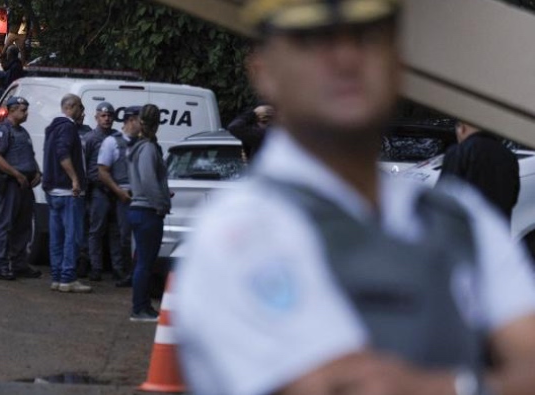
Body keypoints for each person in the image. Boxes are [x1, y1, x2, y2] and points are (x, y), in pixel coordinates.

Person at [173, 1, 535, 394]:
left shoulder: (459, 217)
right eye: (313, 40)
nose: (345, 58)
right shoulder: (236, 234)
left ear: (398, 62)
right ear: (265, 72)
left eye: (367, 37)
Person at [0, 96, 43, 281]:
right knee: (5, 225)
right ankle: (1, 266)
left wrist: (36, 172)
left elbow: (29, 155)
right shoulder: (2, 131)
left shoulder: (23, 132)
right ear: (11, 110)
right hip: (10, 184)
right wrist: (17, 174)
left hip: (25, 186)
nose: (26, 113)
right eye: (22, 110)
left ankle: (19, 264)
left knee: (23, 226)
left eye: (26, 109)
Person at [43, 94, 91, 293]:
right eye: (81, 108)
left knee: (57, 236)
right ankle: (68, 278)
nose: (83, 113)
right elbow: (63, 154)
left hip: (53, 190)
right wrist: (75, 179)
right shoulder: (68, 128)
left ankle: (57, 276)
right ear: (72, 107)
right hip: (68, 192)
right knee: (72, 236)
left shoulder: (51, 128)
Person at [125, 104, 169, 322]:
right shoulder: (148, 149)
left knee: (143, 261)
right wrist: (161, 203)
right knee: (145, 262)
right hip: (147, 211)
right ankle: (139, 308)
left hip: (139, 208)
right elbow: (149, 181)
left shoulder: (138, 148)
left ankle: (142, 305)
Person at [81, 102, 128, 282]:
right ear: (96, 117)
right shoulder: (90, 138)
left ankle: (117, 268)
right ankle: (96, 268)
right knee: (96, 230)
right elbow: (84, 165)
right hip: (98, 191)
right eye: (103, 115)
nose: (107, 119)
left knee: (116, 231)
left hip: (115, 190)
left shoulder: (118, 138)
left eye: (109, 116)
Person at [438, 121, 520, 222]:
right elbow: (513, 198)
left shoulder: (458, 152)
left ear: (461, 128)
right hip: (497, 231)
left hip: (463, 231)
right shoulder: (509, 156)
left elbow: (442, 198)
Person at [98, 105, 141, 287]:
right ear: (131, 121)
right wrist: (118, 192)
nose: (143, 125)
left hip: (140, 196)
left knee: (138, 237)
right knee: (123, 236)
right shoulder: (112, 142)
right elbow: (102, 170)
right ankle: (123, 272)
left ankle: (134, 272)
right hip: (122, 196)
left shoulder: (143, 142)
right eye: (141, 121)